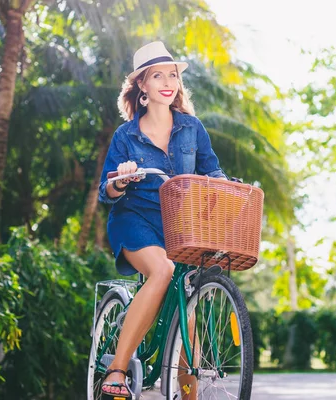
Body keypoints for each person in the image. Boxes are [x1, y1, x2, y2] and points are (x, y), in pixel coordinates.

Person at [97, 41, 226, 399]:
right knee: (163, 270)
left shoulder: (192, 128)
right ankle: (117, 369)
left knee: (190, 312)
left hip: (178, 226)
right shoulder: (126, 136)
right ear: (142, 85)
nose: (168, 81)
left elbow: (211, 170)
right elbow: (105, 191)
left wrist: (226, 184)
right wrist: (121, 179)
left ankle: (189, 396)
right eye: (158, 75)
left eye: (172, 75)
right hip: (134, 219)